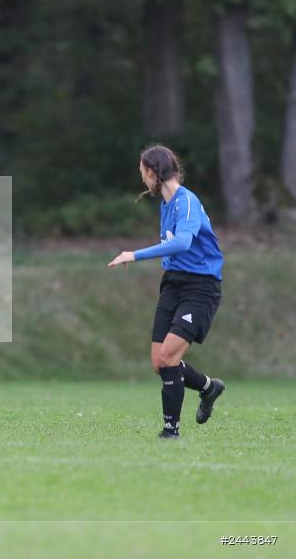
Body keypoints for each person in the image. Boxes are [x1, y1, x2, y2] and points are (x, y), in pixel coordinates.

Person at [108, 144, 225, 439]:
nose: (142, 179)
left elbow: (184, 242)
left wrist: (133, 254)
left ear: (152, 171)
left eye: (142, 172)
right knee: (160, 362)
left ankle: (170, 431)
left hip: (201, 287)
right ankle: (209, 388)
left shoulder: (186, 202)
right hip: (173, 283)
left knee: (170, 356)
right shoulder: (165, 204)